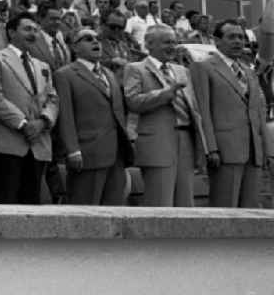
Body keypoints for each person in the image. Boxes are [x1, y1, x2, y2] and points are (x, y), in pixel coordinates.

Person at [124, 24, 212, 207]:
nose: (172, 46)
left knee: (186, 202)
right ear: (149, 44)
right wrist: (165, 94)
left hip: (186, 138)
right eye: (166, 42)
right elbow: (132, 102)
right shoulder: (136, 69)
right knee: (160, 201)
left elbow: (193, 108)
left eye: (174, 42)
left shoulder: (182, 71)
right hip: (157, 142)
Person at [190, 20, 270, 208]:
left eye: (241, 37)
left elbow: (258, 113)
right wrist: (211, 148)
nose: (238, 41)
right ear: (217, 41)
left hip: (253, 151)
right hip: (224, 152)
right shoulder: (204, 67)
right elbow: (203, 111)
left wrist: (266, 149)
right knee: (225, 209)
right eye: (231, 37)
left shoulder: (249, 72)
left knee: (250, 212)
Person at [0, 12, 59, 204]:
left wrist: (43, 121)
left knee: (32, 202)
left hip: (39, 143)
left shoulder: (42, 65)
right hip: (8, 142)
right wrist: (23, 124)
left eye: (35, 30)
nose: (32, 33)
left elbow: (53, 98)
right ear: (11, 32)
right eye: (27, 29)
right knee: (5, 200)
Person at [54, 28, 131, 205]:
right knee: (86, 209)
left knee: (115, 210)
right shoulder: (65, 74)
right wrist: (72, 149)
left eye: (97, 38)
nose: (95, 42)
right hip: (87, 153)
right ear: (75, 47)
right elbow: (66, 116)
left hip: (116, 154)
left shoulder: (109, 74)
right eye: (88, 39)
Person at [28, 1, 70, 72]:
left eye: (59, 19)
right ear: (40, 18)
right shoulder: (31, 40)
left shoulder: (60, 38)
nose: (57, 22)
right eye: (53, 19)